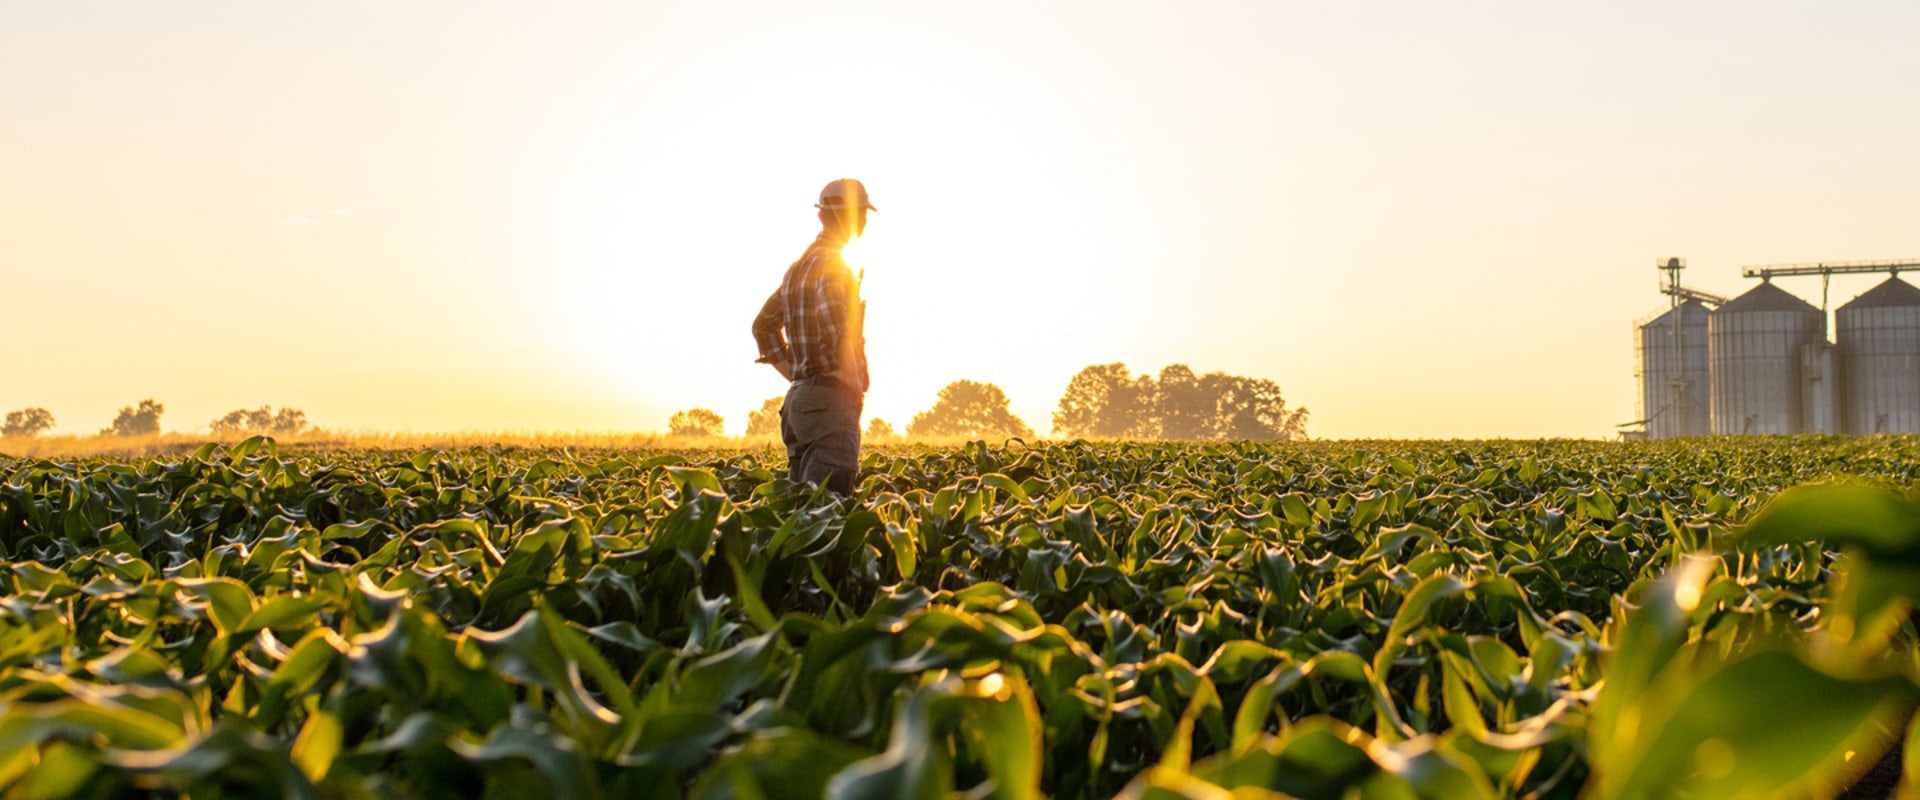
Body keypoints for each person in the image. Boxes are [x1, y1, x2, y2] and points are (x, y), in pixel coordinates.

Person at [752, 179, 874, 495]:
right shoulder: (835, 264)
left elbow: (763, 326)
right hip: (830, 402)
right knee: (828, 510)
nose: (864, 222)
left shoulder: (798, 268)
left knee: (800, 510)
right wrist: (850, 382)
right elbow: (834, 320)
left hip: (799, 403)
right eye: (862, 214)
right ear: (850, 217)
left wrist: (798, 374)